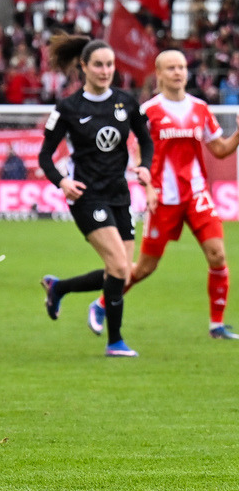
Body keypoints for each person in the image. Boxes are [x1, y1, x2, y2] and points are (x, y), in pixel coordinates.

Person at [86, 50, 239, 340]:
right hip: (163, 198)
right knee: (144, 267)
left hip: (196, 194)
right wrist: (148, 186)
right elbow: (133, 152)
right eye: (171, 68)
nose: (178, 72)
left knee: (218, 255)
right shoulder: (148, 112)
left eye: (182, 67)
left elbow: (219, 149)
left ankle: (216, 325)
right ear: (159, 73)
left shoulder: (200, 109)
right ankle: (102, 303)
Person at [38, 34, 154, 358]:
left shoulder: (126, 102)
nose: (105, 71)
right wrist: (62, 182)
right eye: (99, 65)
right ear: (84, 67)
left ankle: (59, 287)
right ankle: (115, 342)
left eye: (110, 65)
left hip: (119, 194)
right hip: (86, 196)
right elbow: (45, 156)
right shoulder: (68, 108)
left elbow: (146, 140)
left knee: (122, 271)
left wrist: (144, 166)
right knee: (118, 266)